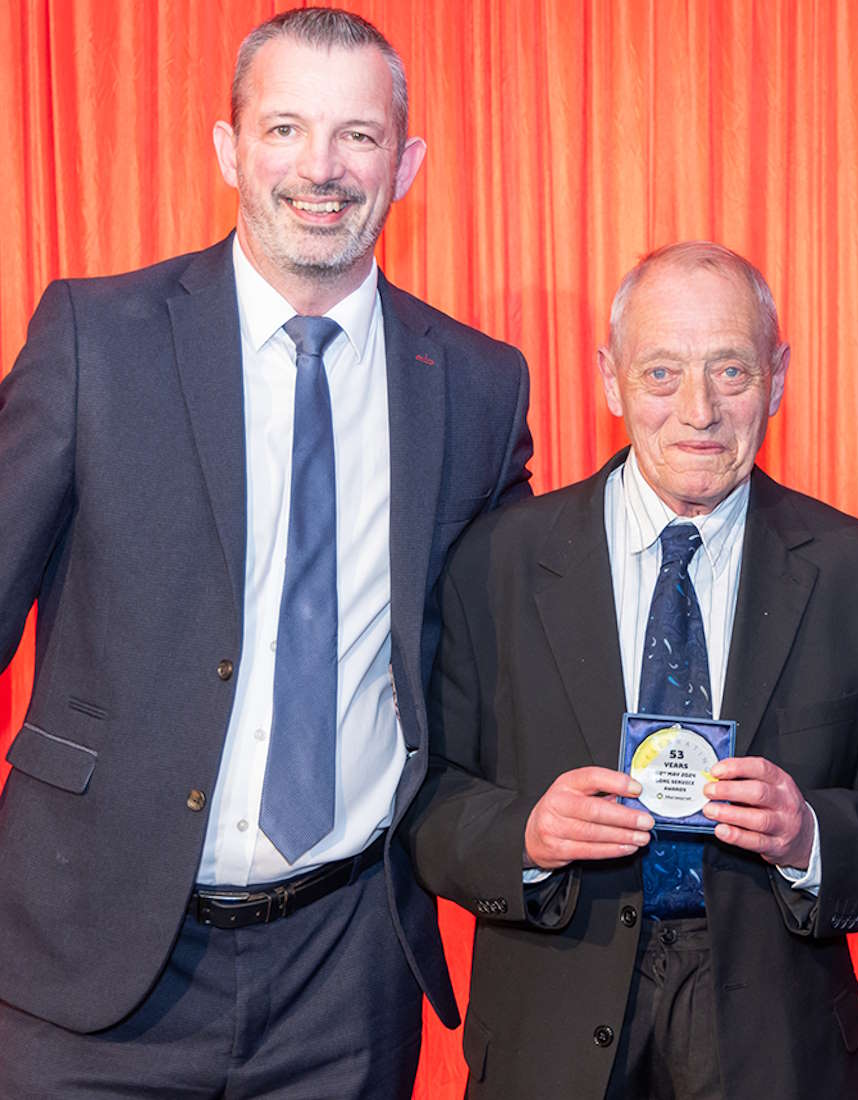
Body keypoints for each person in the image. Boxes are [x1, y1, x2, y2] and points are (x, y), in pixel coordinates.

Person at [0, 8, 532, 1097]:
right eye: (285, 129)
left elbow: (513, 652)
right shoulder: (96, 338)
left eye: (359, 136)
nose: (322, 169)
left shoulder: (478, 385)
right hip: (84, 963)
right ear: (228, 148)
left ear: (408, 162)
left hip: (345, 972)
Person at [408, 241, 858, 1100]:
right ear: (610, 380)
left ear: (777, 376)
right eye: (662, 373)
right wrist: (526, 839)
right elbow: (427, 796)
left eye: (729, 372)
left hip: (777, 1040)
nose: (697, 411)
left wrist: (808, 834)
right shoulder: (494, 561)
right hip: (549, 1033)